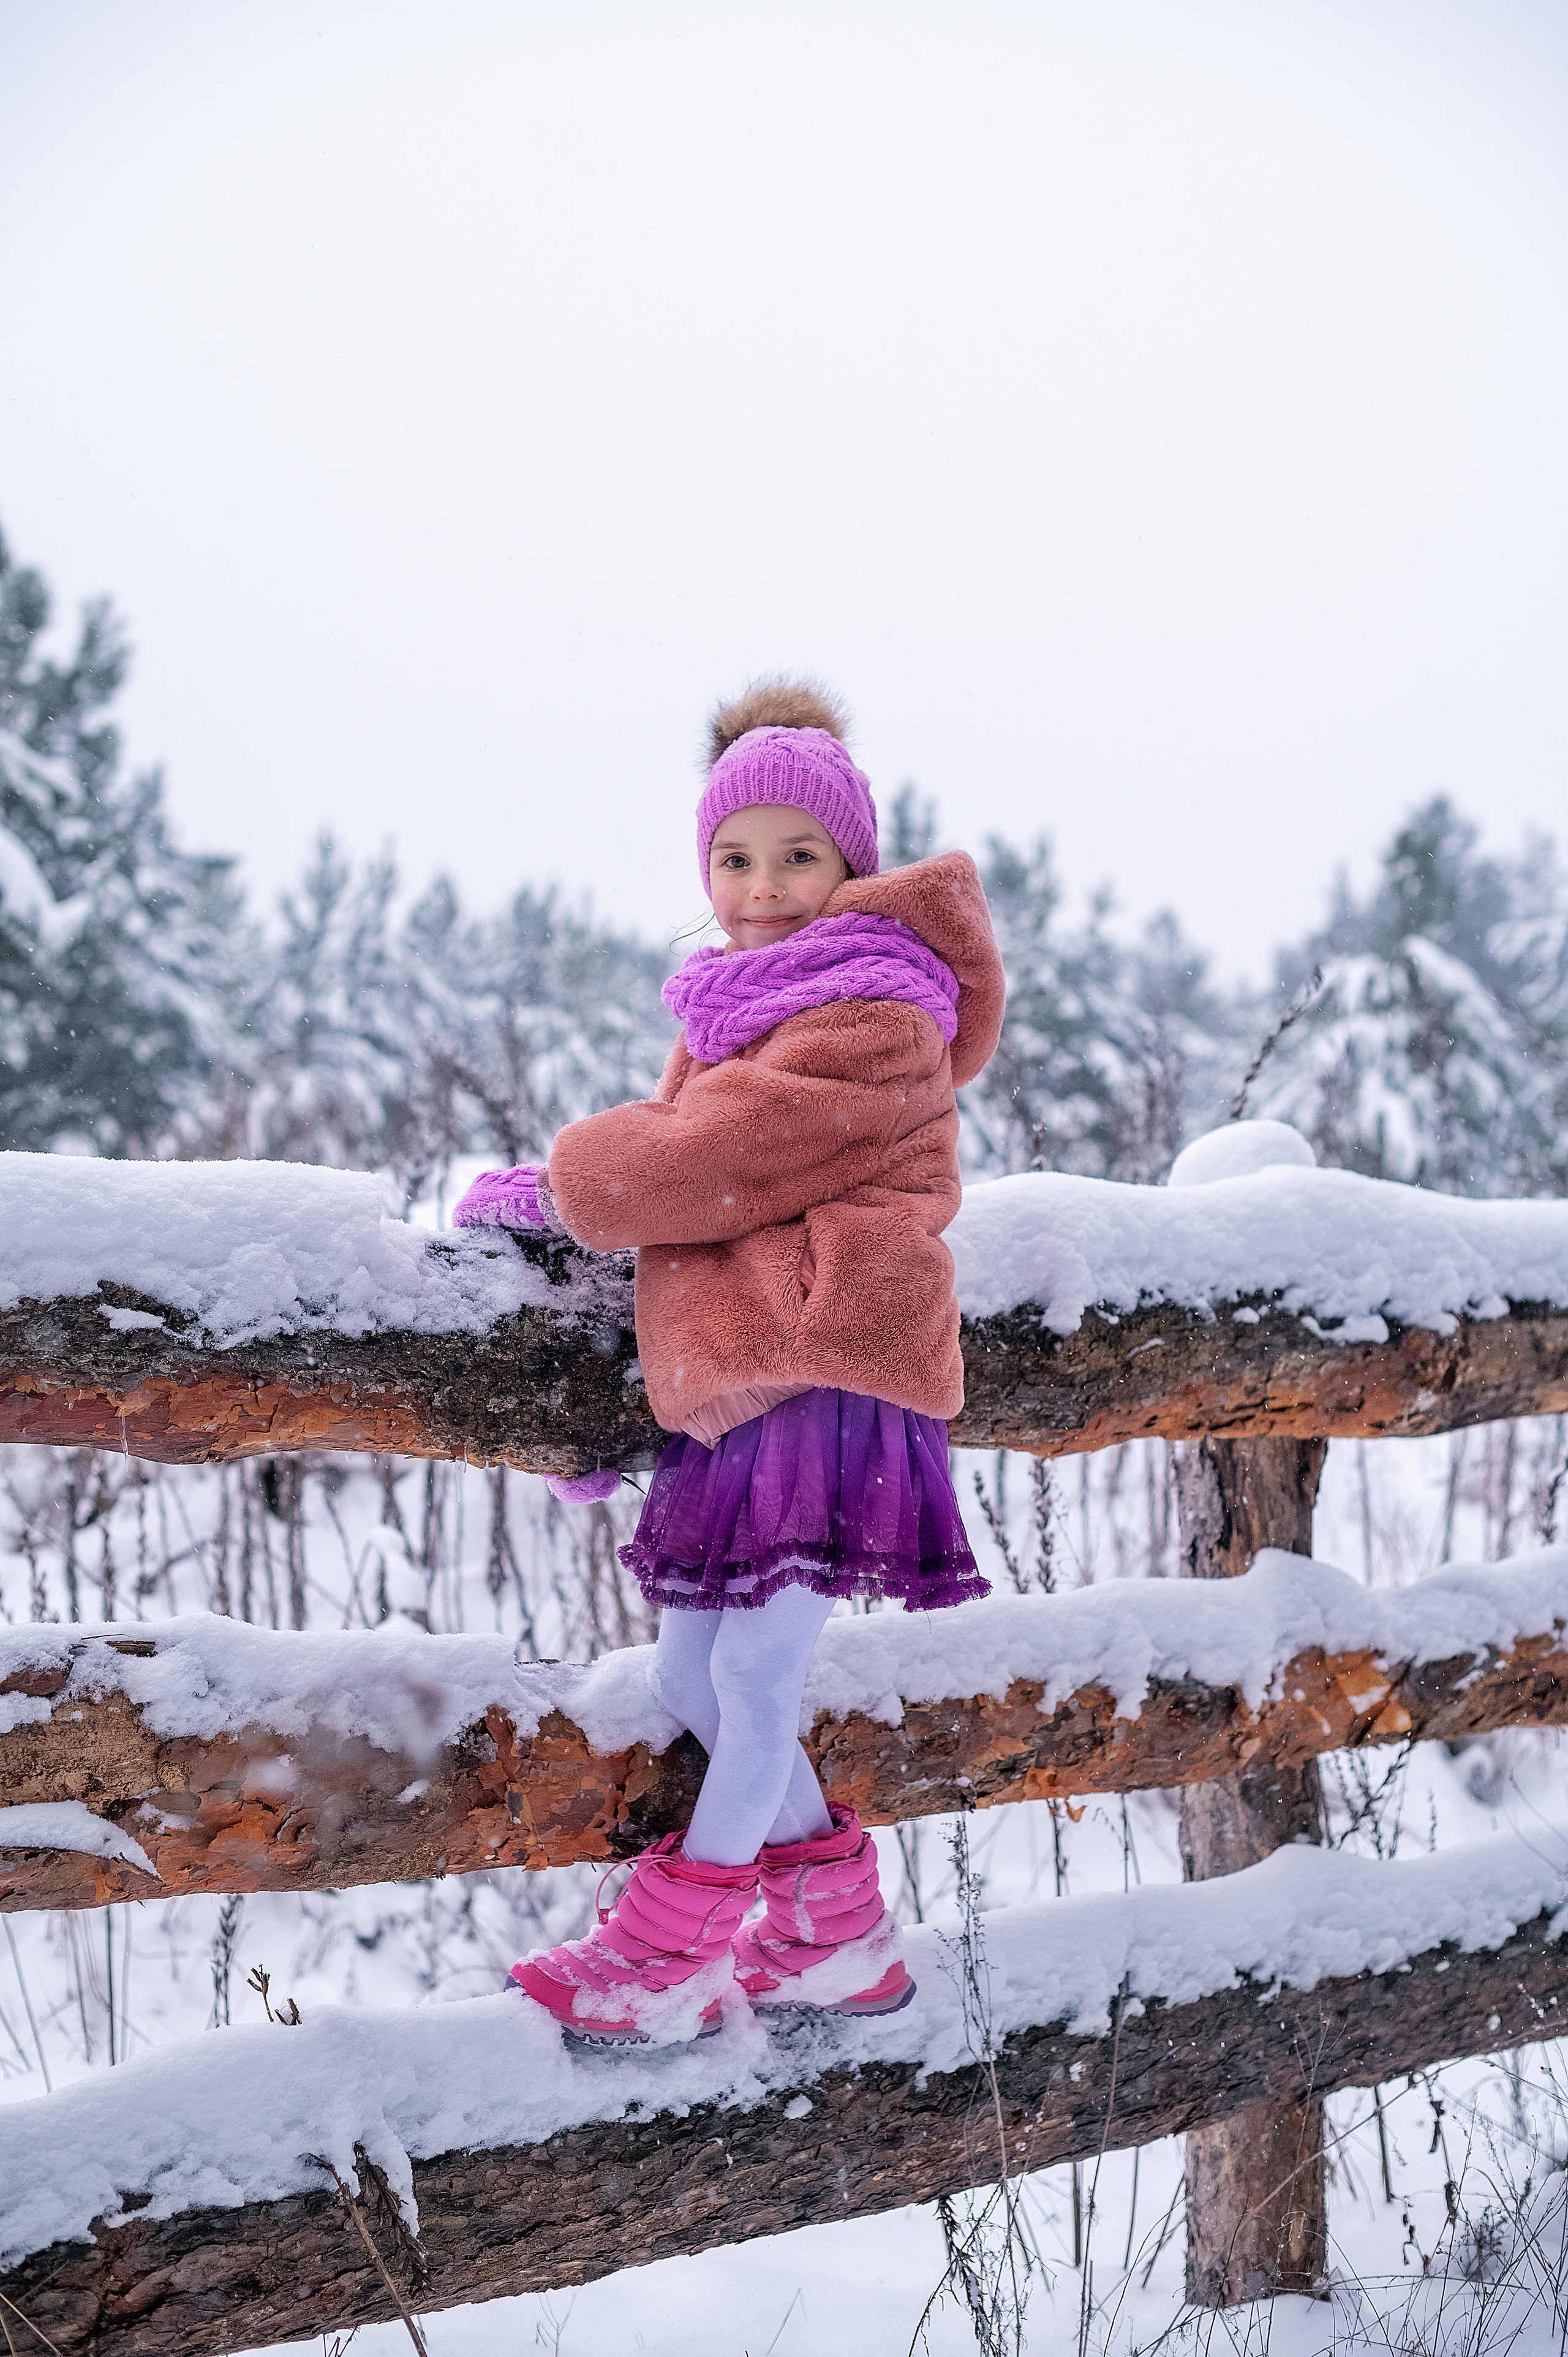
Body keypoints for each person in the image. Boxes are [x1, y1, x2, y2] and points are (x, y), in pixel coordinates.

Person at [453, 680, 1005, 2046]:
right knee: (690, 1683)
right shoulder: (739, 1006)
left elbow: (713, 1158)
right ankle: (837, 1938)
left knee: (751, 1683)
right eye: (733, 859)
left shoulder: (877, 1012)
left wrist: (573, 1185)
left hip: (829, 1369)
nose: (760, 889)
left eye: (796, 857)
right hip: (755, 1377)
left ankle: (664, 1960)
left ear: (850, 867)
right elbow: (687, 1182)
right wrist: (578, 1230)